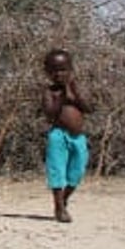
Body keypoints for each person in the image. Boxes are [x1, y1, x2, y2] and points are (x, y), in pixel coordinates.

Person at [42, 48, 93, 223]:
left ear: (71, 70)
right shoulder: (50, 92)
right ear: (47, 73)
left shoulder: (77, 88)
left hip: (78, 137)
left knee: (77, 171)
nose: (59, 74)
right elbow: (49, 114)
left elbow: (89, 108)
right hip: (57, 135)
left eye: (63, 69)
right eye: (54, 71)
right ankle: (59, 207)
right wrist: (61, 98)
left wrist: (75, 95)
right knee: (56, 170)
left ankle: (63, 198)